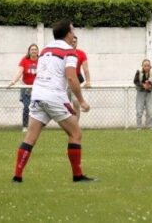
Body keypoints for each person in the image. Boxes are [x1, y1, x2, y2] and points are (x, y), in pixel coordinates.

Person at [12, 19, 93, 183]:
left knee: (30, 137)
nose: (74, 33)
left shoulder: (46, 48)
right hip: (54, 96)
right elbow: (71, 77)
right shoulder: (70, 51)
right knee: (76, 133)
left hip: (37, 94)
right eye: (72, 30)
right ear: (67, 33)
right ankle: (78, 176)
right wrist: (82, 101)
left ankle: (17, 175)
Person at [8, 44, 39, 132]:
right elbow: (20, 72)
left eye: (35, 49)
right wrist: (13, 81)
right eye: (32, 49)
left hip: (38, 88)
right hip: (26, 88)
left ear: (38, 51)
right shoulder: (24, 60)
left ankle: (35, 127)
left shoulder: (41, 60)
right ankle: (25, 126)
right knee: (26, 107)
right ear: (29, 51)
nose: (34, 51)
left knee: (37, 108)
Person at [67, 33, 90, 121]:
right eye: (72, 41)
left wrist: (88, 81)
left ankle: (75, 124)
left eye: (75, 42)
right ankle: (68, 123)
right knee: (63, 104)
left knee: (76, 102)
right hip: (64, 81)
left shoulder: (81, 53)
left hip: (75, 80)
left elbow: (86, 69)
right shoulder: (63, 52)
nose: (73, 43)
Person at [133, 59, 152, 129]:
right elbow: (135, 81)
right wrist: (143, 85)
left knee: (150, 110)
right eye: (145, 66)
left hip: (148, 92)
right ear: (142, 66)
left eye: (148, 66)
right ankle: (139, 127)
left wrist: (151, 85)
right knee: (139, 110)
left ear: (150, 66)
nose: (147, 67)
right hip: (140, 92)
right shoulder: (139, 71)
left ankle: (150, 127)